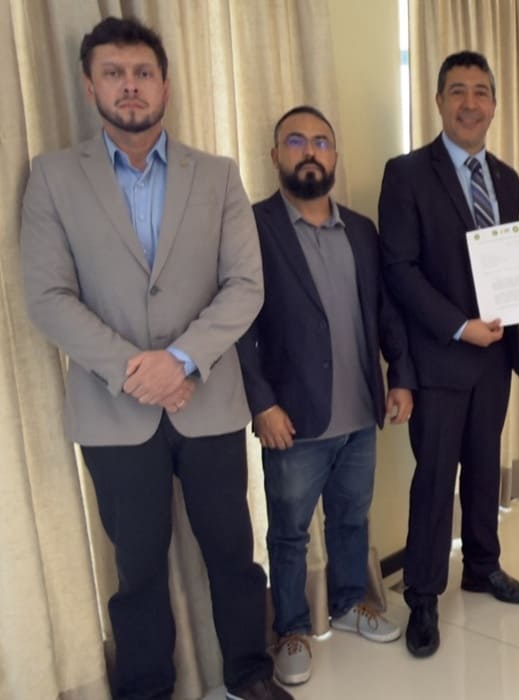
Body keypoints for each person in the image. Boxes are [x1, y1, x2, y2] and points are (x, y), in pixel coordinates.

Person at [19, 16, 290, 700]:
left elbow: (246, 285)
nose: (130, 86)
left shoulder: (217, 175)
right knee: (137, 568)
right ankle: (145, 688)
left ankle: (249, 673)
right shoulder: (53, 177)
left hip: (210, 402)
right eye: (113, 73)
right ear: (90, 86)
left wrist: (181, 360)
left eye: (143, 73)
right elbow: (48, 296)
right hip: (113, 412)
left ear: (165, 85)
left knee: (232, 551)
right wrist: (138, 371)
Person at [237, 105, 416, 684]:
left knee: (350, 519)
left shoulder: (361, 230)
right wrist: (262, 404)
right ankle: (290, 629)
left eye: (320, 141)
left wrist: (400, 375)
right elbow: (241, 326)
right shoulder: (253, 227)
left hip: (360, 412)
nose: (309, 151)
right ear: (275, 155)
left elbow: (385, 313)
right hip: (293, 420)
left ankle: (349, 603)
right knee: (289, 533)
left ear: (334, 156)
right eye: (296, 141)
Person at [379, 51, 519, 659]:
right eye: (458, 91)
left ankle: (482, 566)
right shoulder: (406, 174)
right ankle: (423, 595)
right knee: (434, 478)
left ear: (494, 105)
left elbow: (505, 258)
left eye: (481, 92)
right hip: (440, 358)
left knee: (483, 467)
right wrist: (458, 326)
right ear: (438, 102)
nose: (470, 103)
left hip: (495, 355)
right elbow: (399, 270)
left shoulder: (505, 177)